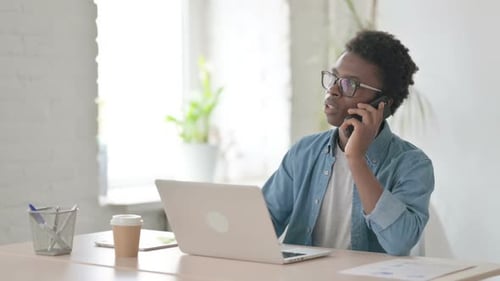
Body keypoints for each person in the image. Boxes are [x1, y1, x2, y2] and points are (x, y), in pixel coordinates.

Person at [262, 30, 434, 256]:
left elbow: (399, 242)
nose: (332, 90)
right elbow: (262, 225)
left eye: (348, 84)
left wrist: (356, 159)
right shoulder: (304, 152)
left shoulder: (412, 164)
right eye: (334, 78)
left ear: (382, 104)